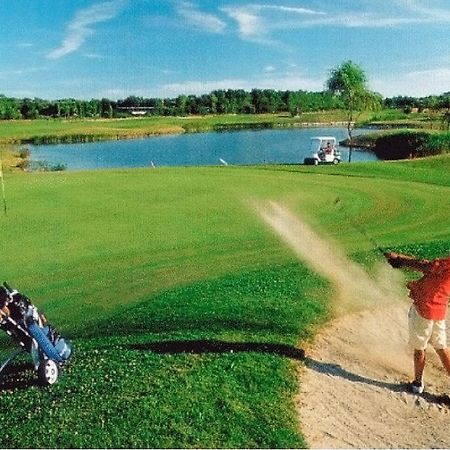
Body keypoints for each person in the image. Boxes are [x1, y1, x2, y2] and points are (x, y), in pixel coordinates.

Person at [385, 252, 450, 394]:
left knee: (420, 349)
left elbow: (424, 266)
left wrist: (400, 259)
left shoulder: (447, 264)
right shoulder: (445, 265)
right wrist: (401, 260)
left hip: (424, 310)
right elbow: (430, 266)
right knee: (441, 347)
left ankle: (417, 384)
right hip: (439, 311)